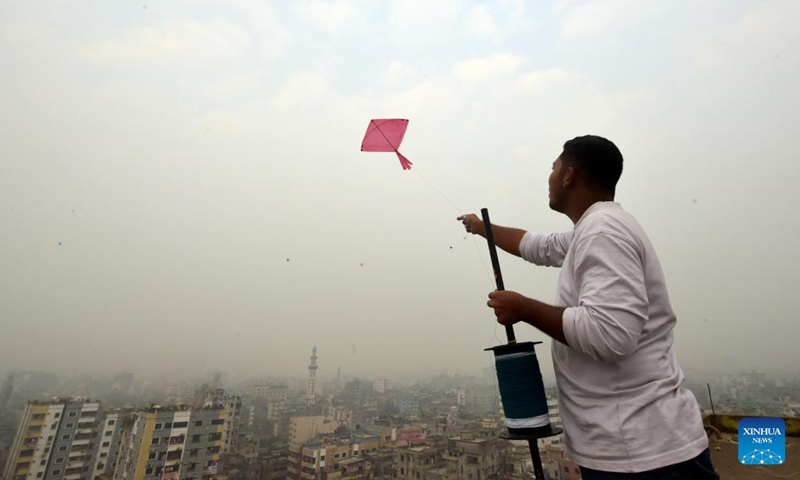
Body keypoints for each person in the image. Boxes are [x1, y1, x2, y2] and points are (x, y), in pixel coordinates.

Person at [457, 135, 718, 479]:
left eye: (553, 168)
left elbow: (609, 334)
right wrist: (482, 228)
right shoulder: (593, 228)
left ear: (569, 175)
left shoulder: (602, 231)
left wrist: (524, 308)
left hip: (643, 454)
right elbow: (537, 245)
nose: (549, 178)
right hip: (630, 448)